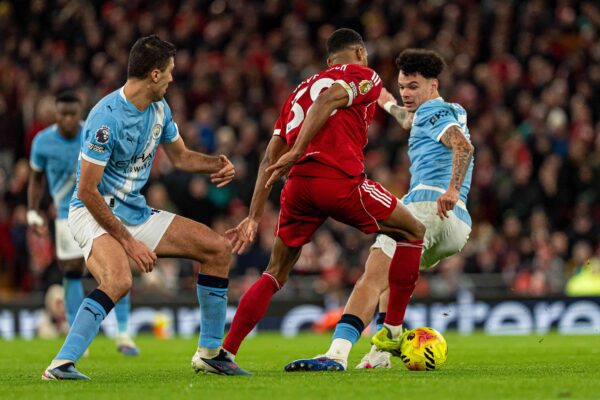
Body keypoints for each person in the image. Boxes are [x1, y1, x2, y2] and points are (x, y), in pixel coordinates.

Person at [42, 35, 249, 380]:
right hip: (92, 212)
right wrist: (129, 243)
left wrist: (215, 164)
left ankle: (211, 354)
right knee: (118, 279)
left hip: (134, 211)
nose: (172, 78)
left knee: (217, 249)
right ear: (154, 74)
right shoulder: (106, 119)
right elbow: (87, 191)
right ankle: (61, 364)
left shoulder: (159, 109)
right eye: (169, 72)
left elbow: (181, 157)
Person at [224, 28, 426, 371]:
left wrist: (254, 215)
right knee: (413, 231)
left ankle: (224, 352)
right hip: (337, 180)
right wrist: (300, 149)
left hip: (297, 188)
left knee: (275, 272)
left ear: (329, 60)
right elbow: (329, 100)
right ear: (359, 53)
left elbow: (269, 157)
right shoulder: (364, 74)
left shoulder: (298, 92)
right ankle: (391, 332)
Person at [287, 48, 475, 371]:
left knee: (371, 278)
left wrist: (452, 188)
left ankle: (337, 354)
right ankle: (381, 353)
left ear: (434, 85)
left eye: (413, 86)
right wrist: (385, 99)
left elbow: (462, 146)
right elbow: (407, 118)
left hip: (429, 206)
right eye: (402, 86)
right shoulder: (447, 110)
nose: (406, 93)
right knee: (391, 277)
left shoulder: (434, 112)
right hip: (457, 225)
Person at [28, 92, 140, 357]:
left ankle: (123, 333)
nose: (68, 119)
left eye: (73, 114)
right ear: (55, 114)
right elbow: (36, 178)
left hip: (100, 209)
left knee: (117, 266)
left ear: (80, 113)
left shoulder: (94, 133)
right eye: (63, 114)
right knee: (71, 270)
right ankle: (75, 333)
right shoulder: (42, 141)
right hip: (65, 214)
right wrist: (33, 210)